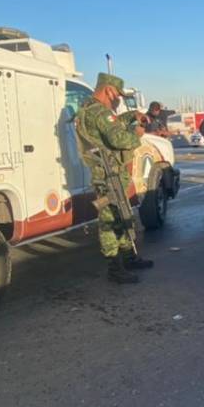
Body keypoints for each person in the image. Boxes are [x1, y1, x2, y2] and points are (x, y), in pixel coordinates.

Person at [74, 73, 155, 284]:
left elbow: (113, 124)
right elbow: (119, 139)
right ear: (108, 90)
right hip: (108, 174)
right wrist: (136, 134)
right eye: (117, 95)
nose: (118, 99)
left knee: (123, 215)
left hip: (108, 172)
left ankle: (129, 258)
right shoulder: (100, 112)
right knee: (110, 221)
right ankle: (115, 268)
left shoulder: (89, 109)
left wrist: (132, 115)